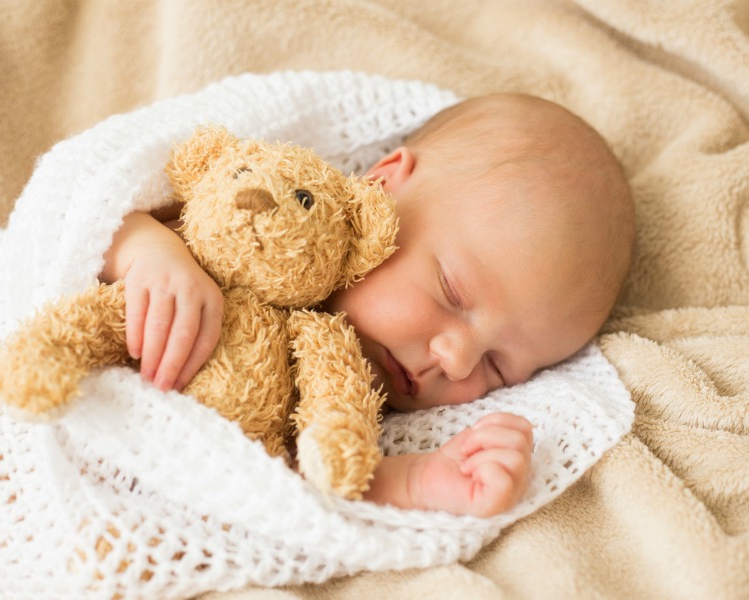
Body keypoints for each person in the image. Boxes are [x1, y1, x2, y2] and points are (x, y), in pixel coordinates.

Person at [99, 93, 635, 517]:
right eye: (452, 292)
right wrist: (152, 253)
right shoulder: (255, 212)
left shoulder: (349, 392)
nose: (456, 361)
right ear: (382, 185)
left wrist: (422, 480)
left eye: (497, 367)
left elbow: (312, 478)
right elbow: (93, 211)